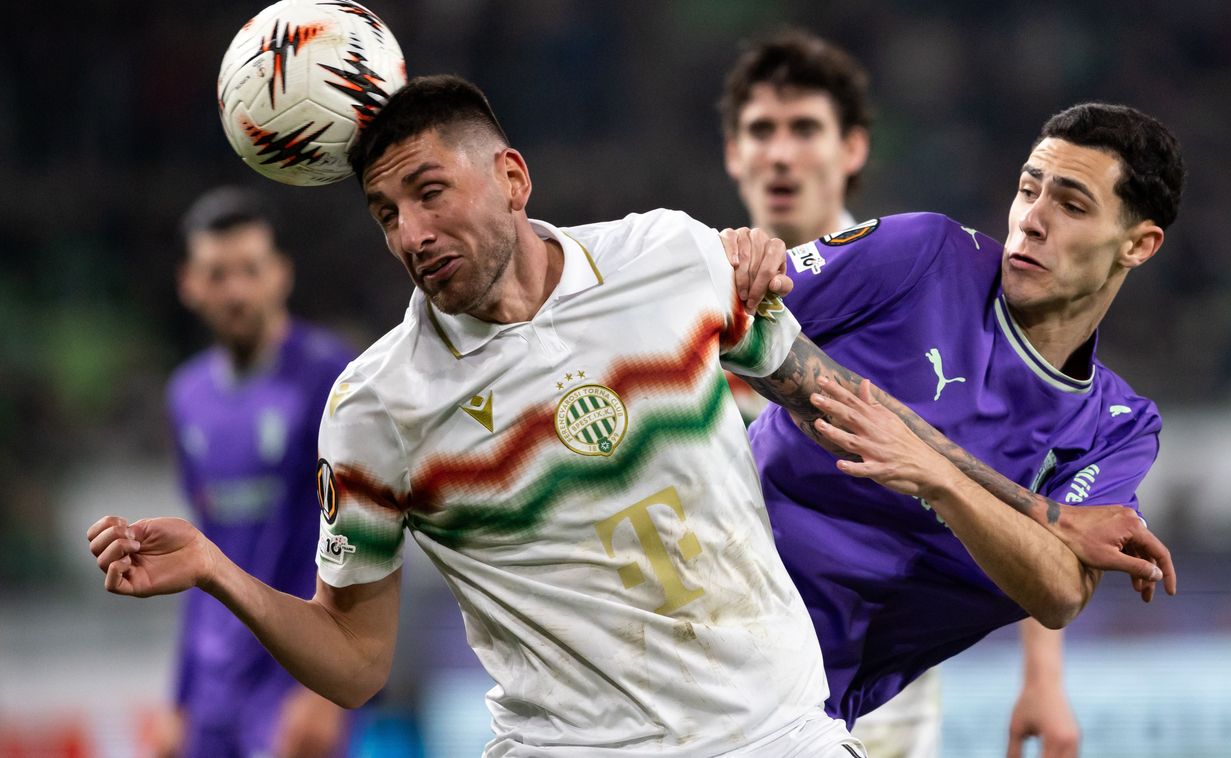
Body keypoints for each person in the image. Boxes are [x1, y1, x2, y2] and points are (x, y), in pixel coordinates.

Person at [89, 75, 1171, 757]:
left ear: (511, 178)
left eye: (429, 193)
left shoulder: (668, 259)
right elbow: (357, 661)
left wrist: (1036, 509)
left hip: (778, 730)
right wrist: (220, 573)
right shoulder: (374, 408)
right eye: (384, 212)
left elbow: (842, 402)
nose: (409, 233)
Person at [742, 95, 1185, 758]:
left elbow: (1060, 590)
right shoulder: (922, 256)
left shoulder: (1116, 428)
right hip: (688, 598)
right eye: (1027, 190)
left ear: (1138, 244)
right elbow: (735, 314)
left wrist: (940, 479)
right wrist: (743, 259)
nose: (1031, 220)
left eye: (1070, 205)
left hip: (796, 712)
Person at [719, 30, 1083, 757]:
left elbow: (1022, 474)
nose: (780, 154)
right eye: (761, 131)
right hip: (734, 669)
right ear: (734, 153)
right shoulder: (704, 308)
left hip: (883, 694)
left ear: (852, 149)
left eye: (805, 129)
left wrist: (1043, 675)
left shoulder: (916, 300)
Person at [163, 186, 358, 757]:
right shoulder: (186, 395)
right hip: (214, 681)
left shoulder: (332, 377)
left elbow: (366, 532)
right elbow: (205, 545)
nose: (236, 291)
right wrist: (180, 697)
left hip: (295, 674)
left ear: (281, 274)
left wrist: (327, 691)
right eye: (217, 274)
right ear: (188, 284)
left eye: (250, 269)